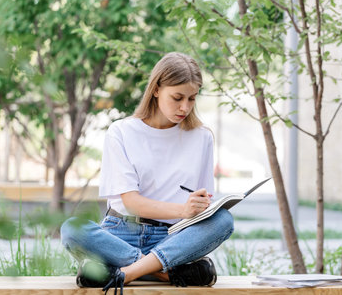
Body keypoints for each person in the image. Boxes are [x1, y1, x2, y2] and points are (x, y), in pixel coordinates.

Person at [60, 52, 234, 293]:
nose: (185, 107)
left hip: (172, 236)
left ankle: (125, 272)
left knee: (223, 221)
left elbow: (202, 206)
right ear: (156, 89)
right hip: (121, 233)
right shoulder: (121, 132)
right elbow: (130, 202)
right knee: (72, 228)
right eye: (177, 97)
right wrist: (182, 209)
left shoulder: (202, 137)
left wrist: (199, 208)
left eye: (192, 99)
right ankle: (164, 272)